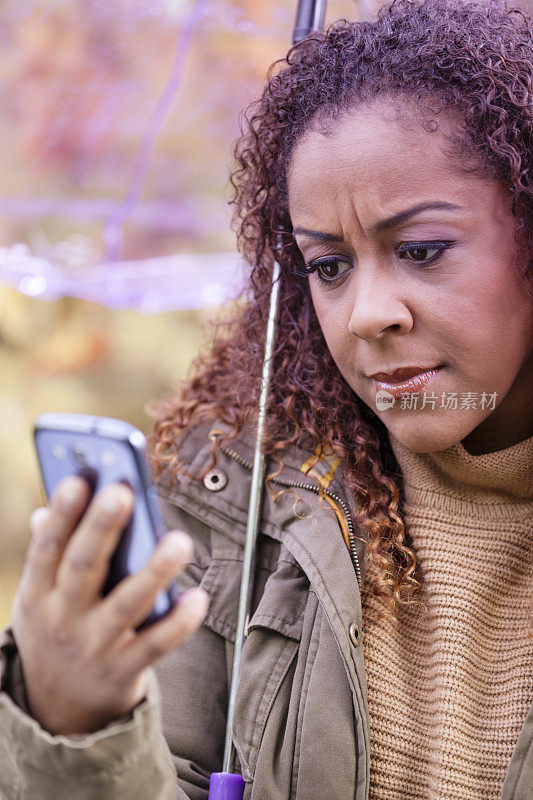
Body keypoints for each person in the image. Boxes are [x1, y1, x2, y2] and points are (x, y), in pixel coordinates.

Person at [1, 0, 532, 797]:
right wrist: (78, 724)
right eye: (327, 266)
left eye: (421, 251)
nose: (366, 314)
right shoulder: (230, 490)